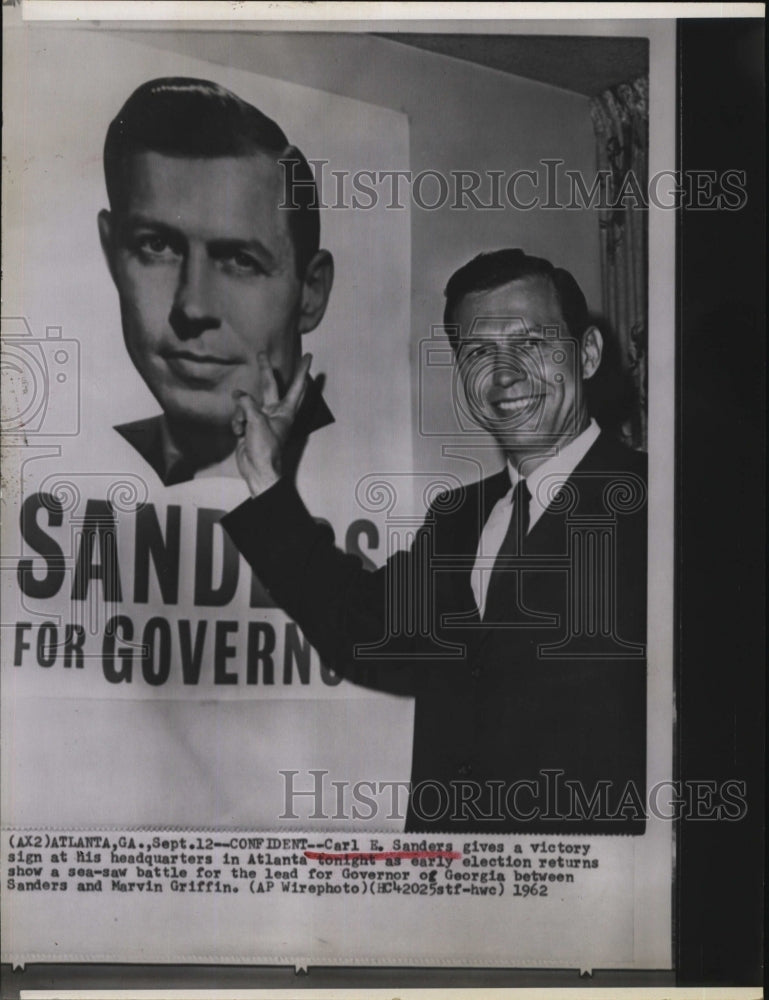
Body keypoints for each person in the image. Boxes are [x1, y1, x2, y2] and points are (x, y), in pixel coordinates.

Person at [222, 249, 647, 834]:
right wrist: (267, 482)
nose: (503, 374)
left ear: (589, 354)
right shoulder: (457, 518)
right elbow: (362, 630)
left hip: (592, 904)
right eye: (477, 353)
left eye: (529, 342)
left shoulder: (664, 505)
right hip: (452, 897)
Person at [98, 77, 334, 485]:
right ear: (110, 250)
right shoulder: (97, 463)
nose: (193, 308)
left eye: (240, 260)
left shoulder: (363, 460)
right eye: (156, 246)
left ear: (311, 293)